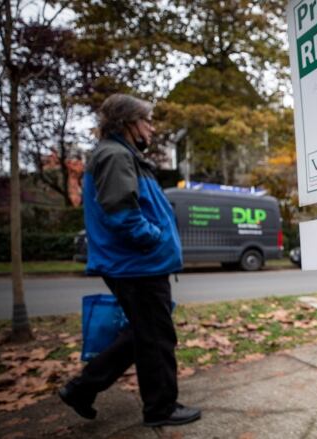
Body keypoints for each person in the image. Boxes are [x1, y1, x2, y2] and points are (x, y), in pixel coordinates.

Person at [59, 94, 200, 427]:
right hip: (137, 265)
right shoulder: (115, 155)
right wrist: (153, 238)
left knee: (143, 334)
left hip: (138, 264)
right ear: (128, 123)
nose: (151, 127)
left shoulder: (124, 155)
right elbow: (121, 213)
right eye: (146, 120)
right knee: (156, 337)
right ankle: (160, 409)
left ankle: (82, 388)